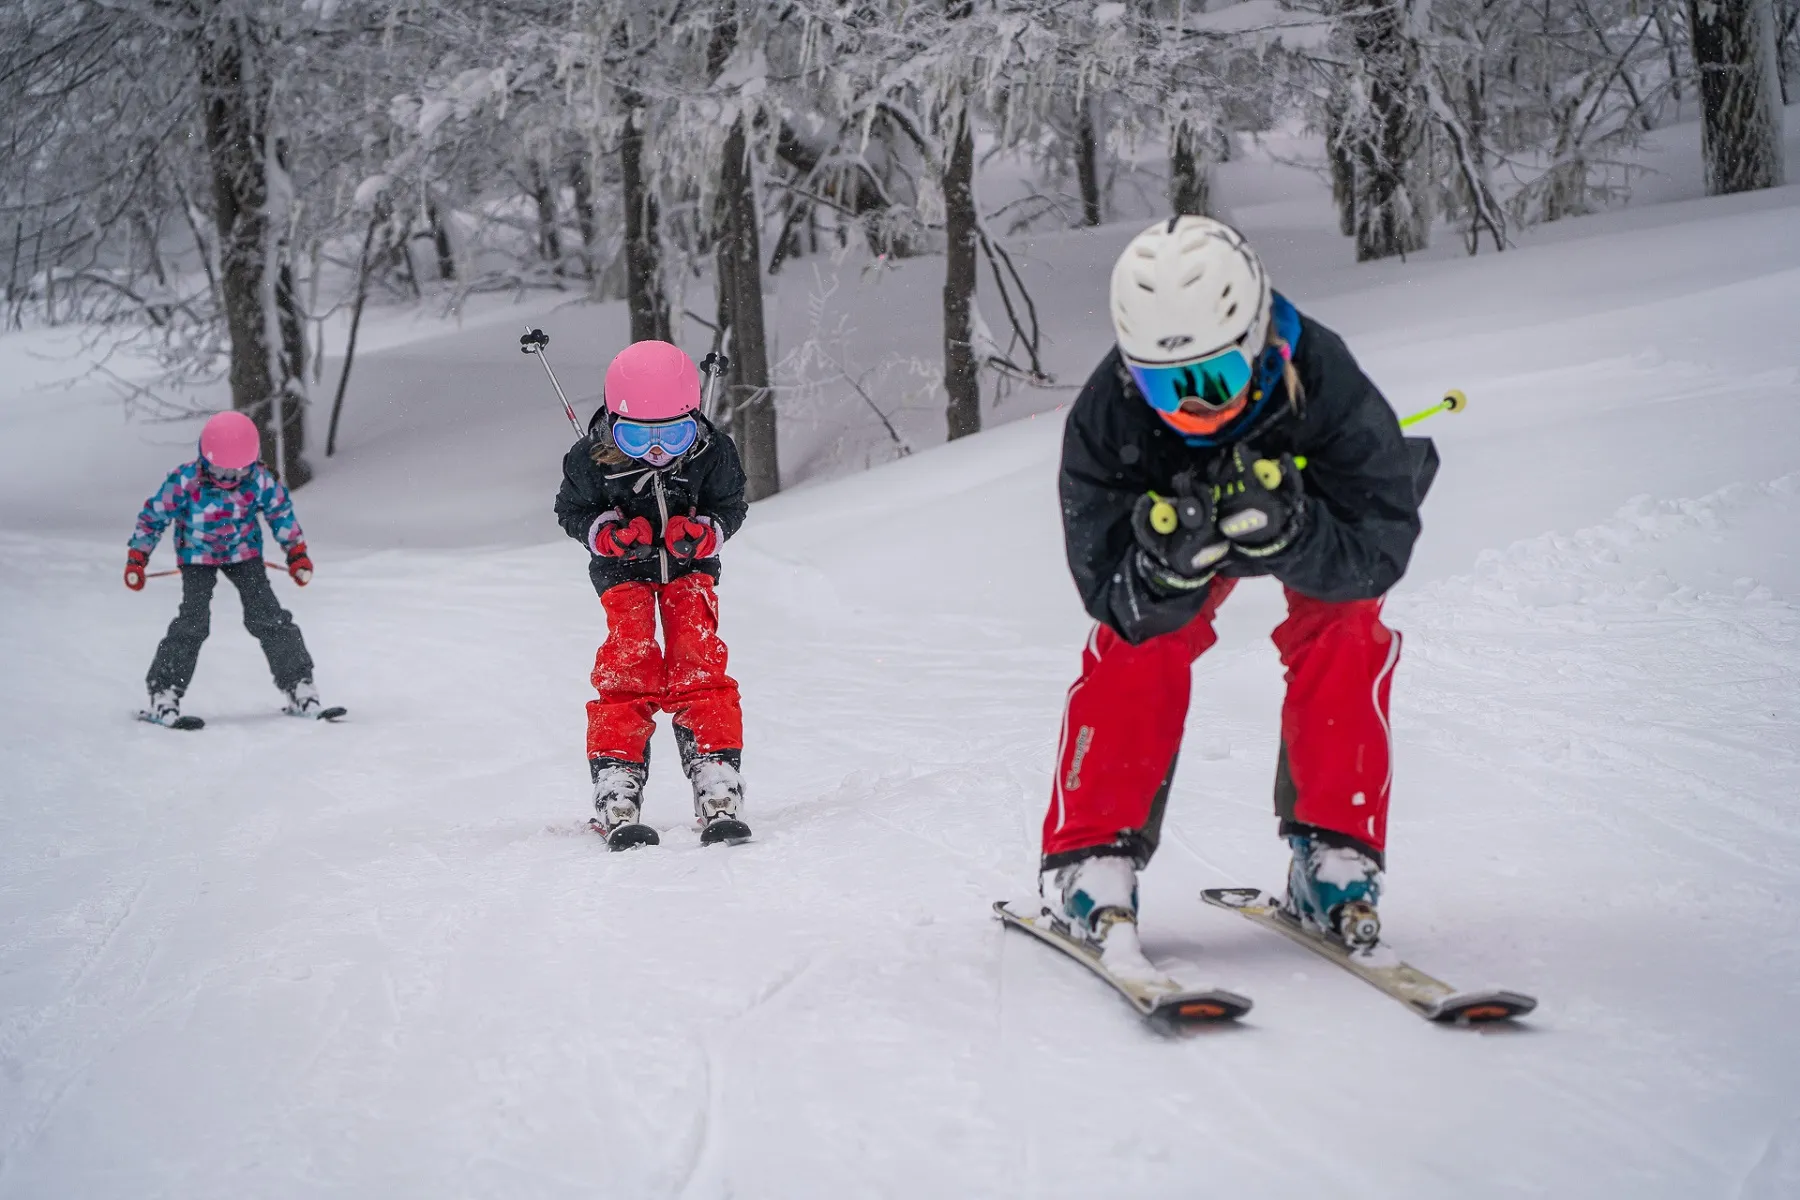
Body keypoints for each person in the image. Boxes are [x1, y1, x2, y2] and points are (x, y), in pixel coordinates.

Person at [1041, 216, 1430, 953]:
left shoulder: (1322, 376)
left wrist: (1298, 533)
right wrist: (1163, 570)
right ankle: (1091, 856)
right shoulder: (1109, 413)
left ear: (1256, 342)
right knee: (1136, 646)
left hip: (1306, 521)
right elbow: (1107, 590)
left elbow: (1381, 542)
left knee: (1348, 625)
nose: (1193, 408)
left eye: (1213, 379)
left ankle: (1334, 853)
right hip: (1180, 542)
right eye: (1163, 385)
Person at [554, 340, 750, 849]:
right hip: (625, 578)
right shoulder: (590, 458)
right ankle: (617, 786)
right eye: (639, 438)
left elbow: (731, 504)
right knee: (628, 666)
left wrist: (707, 531)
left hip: (691, 574)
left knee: (699, 665)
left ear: (694, 420)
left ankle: (716, 779)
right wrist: (605, 533)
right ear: (615, 424)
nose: (659, 451)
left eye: (674, 434)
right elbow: (570, 510)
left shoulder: (711, 452)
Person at [126, 410, 329, 725]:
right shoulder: (185, 480)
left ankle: (299, 684)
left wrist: (296, 553)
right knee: (193, 621)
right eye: (221, 469)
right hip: (196, 556)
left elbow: (280, 512)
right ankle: (164, 692)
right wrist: (138, 557)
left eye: (237, 472)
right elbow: (154, 516)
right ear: (205, 458)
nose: (228, 479)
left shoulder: (259, 480)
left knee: (268, 616)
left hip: (243, 553)